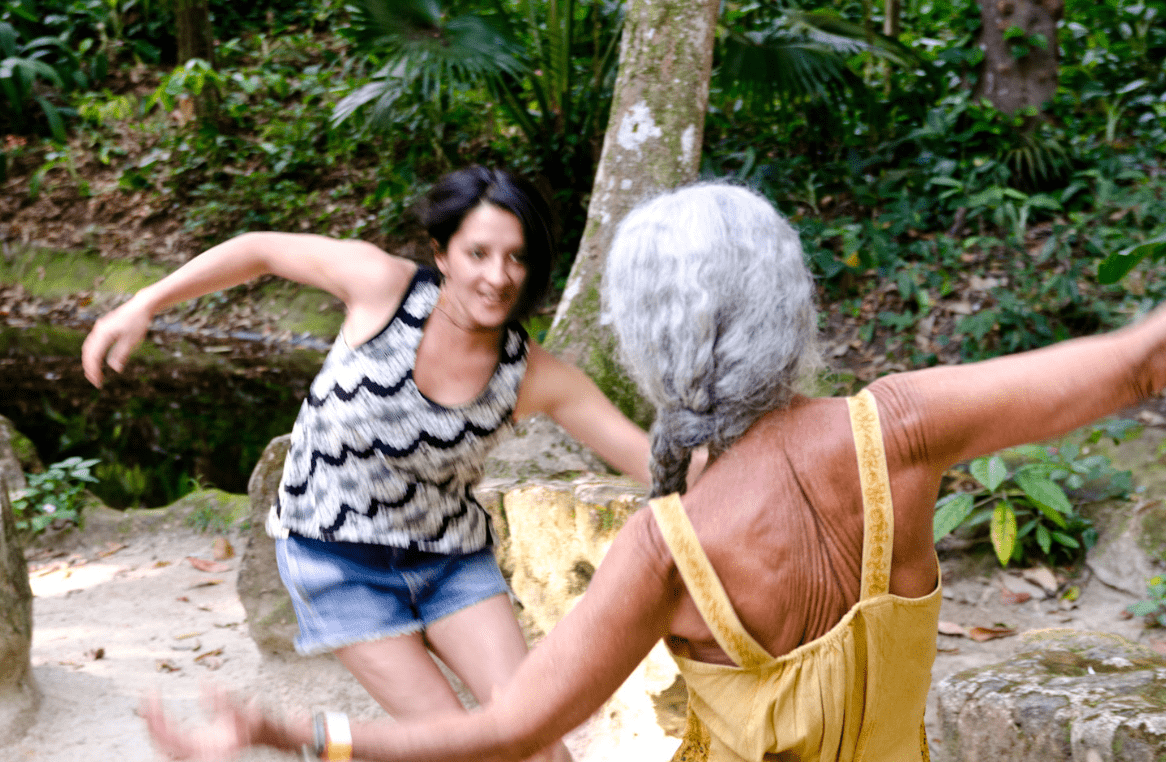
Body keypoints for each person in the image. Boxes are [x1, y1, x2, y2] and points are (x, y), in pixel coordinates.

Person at [141, 181, 1166, 762]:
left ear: (646, 339)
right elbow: (1133, 360)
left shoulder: (664, 549)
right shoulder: (897, 427)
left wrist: (291, 731)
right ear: (788, 296)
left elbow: (508, 730)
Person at [83, 166, 667, 762]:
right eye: (478, 253)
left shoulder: (536, 375)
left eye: (516, 258)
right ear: (442, 253)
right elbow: (259, 251)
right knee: (465, 750)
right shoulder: (381, 287)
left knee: (538, 747)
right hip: (334, 563)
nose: (497, 276)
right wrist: (146, 302)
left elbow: (648, 460)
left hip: (450, 561)